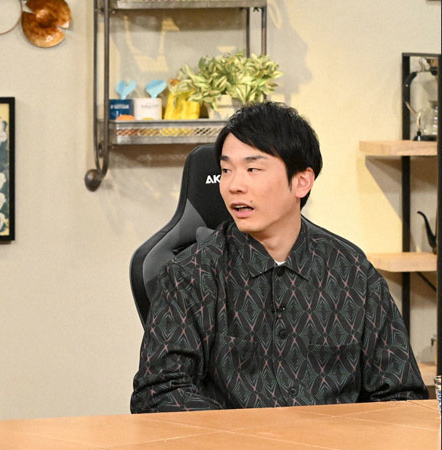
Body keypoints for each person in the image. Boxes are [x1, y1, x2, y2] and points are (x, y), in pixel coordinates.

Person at [131, 102, 427, 413]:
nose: (234, 186)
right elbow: (159, 392)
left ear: (302, 181)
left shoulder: (352, 272)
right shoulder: (192, 275)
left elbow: (400, 394)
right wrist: (244, 433)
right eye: (226, 171)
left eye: (253, 169)